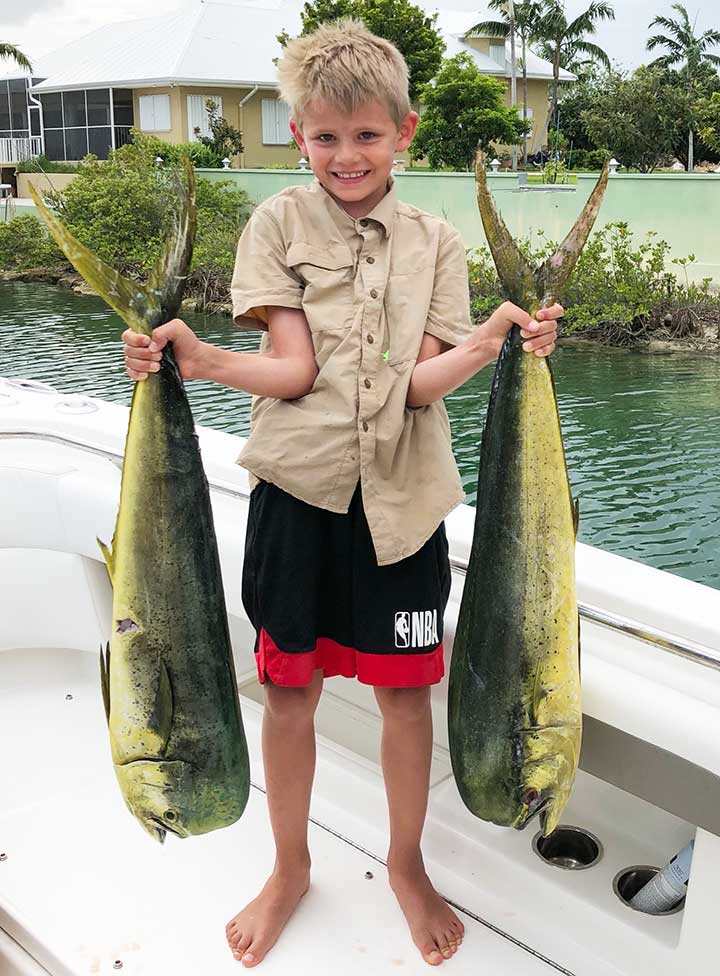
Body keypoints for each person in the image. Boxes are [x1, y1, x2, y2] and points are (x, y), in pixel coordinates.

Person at [122, 20, 562, 969]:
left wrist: (491, 343)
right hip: (298, 502)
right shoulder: (276, 226)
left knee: (407, 704)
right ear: (297, 133)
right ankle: (290, 868)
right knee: (290, 695)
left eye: (365, 135)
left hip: (403, 512)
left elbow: (415, 386)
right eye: (325, 136)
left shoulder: (436, 243)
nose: (345, 155)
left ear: (403, 132)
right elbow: (293, 368)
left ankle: (405, 864)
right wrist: (198, 358)